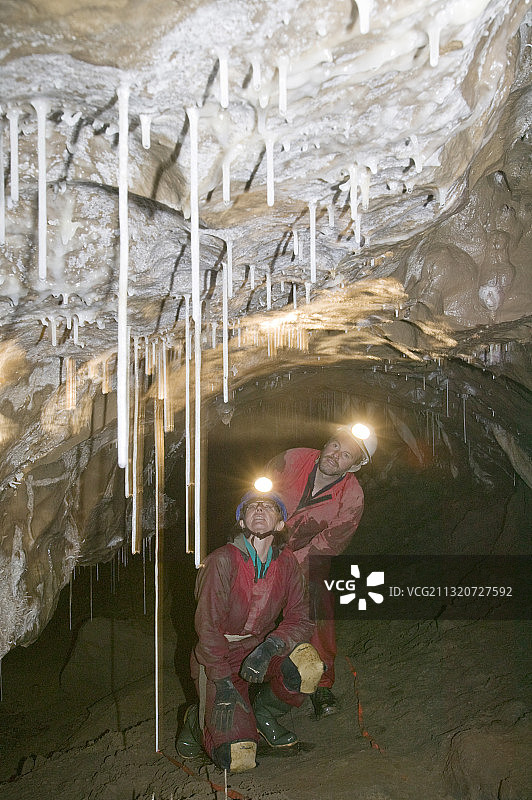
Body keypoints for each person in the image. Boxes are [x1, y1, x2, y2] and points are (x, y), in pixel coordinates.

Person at [175, 486, 324, 773]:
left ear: (280, 524)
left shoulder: (287, 563)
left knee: (307, 664)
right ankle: (196, 722)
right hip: (218, 658)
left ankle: (264, 714)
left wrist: (270, 647)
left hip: (259, 650)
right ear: (241, 522)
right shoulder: (221, 560)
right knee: (238, 758)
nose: (259, 510)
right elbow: (207, 628)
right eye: (252, 506)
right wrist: (221, 681)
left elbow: (301, 617)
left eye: (269, 507)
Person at [265, 424, 377, 718]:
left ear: (353, 466)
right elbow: (256, 494)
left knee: (317, 604)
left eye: (346, 455)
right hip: (266, 539)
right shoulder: (293, 459)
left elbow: (331, 542)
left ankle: (321, 682)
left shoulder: (351, 496)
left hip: (311, 554)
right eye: (335, 446)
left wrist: (293, 565)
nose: (336, 455)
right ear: (326, 444)